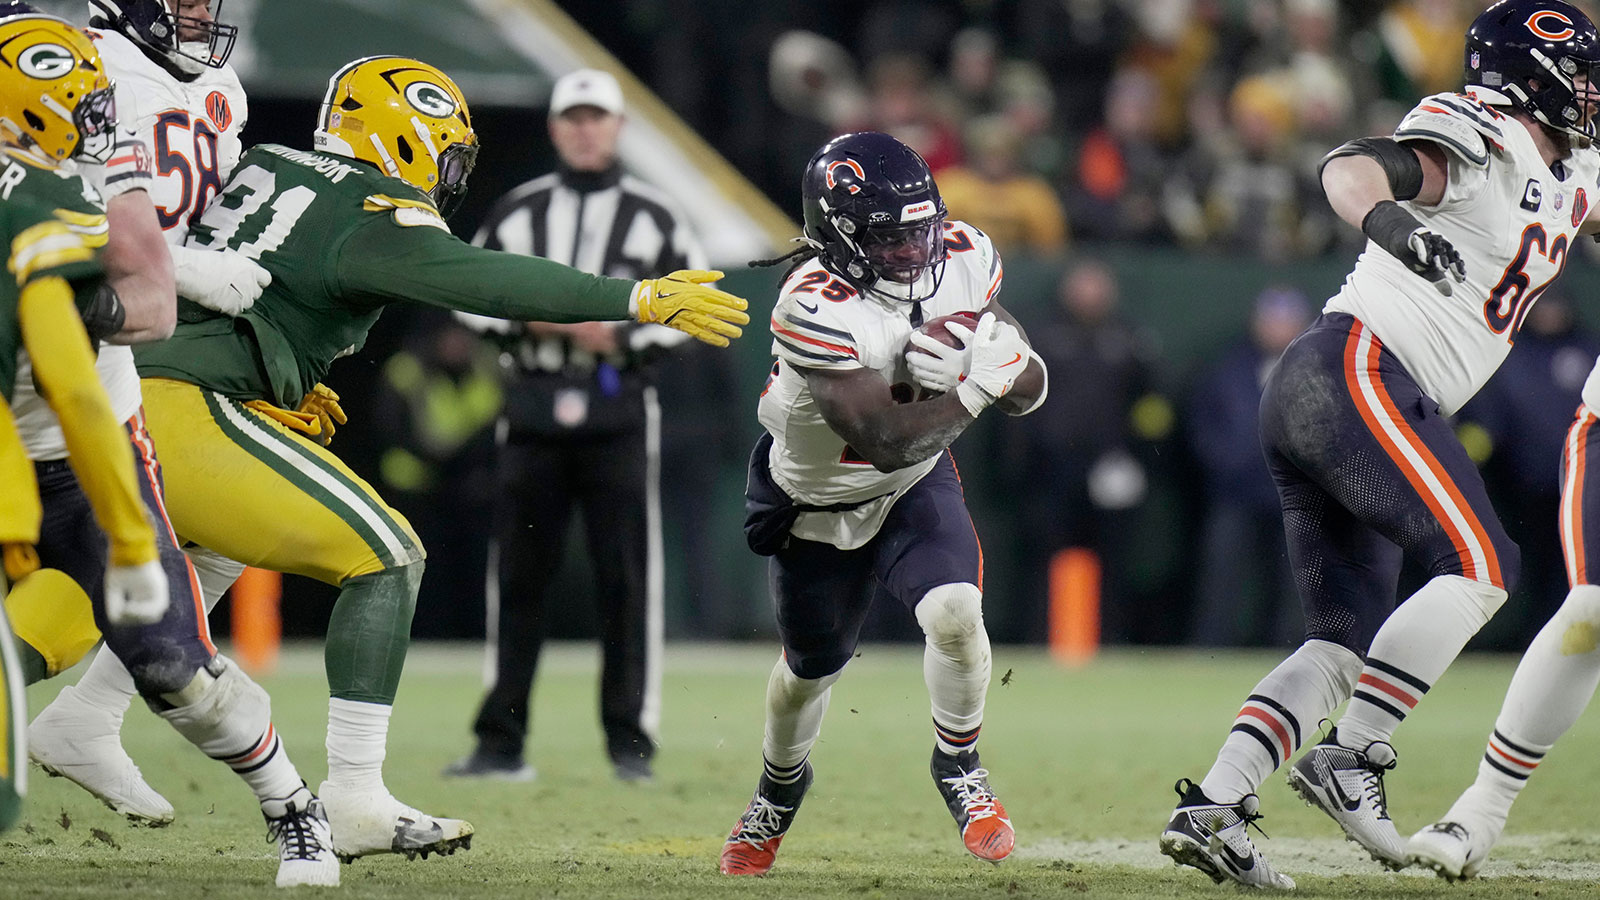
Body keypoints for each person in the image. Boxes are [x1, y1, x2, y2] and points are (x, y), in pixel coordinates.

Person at [119, 55, 746, 861]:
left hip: (135, 384)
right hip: (185, 407)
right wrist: (638, 297)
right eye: (445, 152)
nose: (448, 174)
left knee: (108, 596)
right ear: (407, 135)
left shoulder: (269, 162)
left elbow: (250, 278)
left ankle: (85, 720)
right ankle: (351, 795)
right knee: (386, 556)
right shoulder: (373, 211)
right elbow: (490, 282)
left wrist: (267, 367)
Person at [1159, 0, 1600, 888]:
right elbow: (1354, 167)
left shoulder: (1577, 167)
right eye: (1580, 75)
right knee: (1480, 565)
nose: (1591, 94)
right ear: (1530, 75)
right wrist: (1392, 223)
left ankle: (1214, 804)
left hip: (1347, 391)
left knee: (1339, 643)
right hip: (1357, 368)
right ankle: (1355, 754)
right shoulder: (1486, 133)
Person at [0, 14, 338, 886]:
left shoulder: (69, 184)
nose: (98, 118)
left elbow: (141, 315)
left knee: (175, 669)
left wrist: (62, 300)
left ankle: (293, 803)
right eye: (77, 103)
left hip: (87, 446)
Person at [718, 132, 1048, 876]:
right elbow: (881, 438)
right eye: (890, 238)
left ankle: (959, 763)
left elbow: (1029, 385)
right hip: (814, 499)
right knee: (808, 672)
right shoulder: (813, 305)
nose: (914, 250)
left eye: (922, 229)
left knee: (957, 613)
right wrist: (972, 388)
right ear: (838, 237)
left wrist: (1006, 367)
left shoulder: (962, 256)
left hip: (911, 488)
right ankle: (779, 788)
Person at [19, 0, 270, 829]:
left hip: (120, 375)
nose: (199, 8)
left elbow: (187, 245)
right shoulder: (70, 67)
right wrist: (184, 272)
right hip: (68, 356)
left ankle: (94, 723)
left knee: (183, 610)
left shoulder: (205, 89)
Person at [444, 68, 707, 784]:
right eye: (574, 118)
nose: (586, 129)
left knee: (627, 577)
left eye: (598, 117)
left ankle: (631, 743)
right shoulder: (518, 210)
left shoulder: (656, 216)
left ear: (618, 126)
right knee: (518, 577)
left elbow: (694, 304)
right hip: (530, 402)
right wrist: (534, 313)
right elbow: (464, 290)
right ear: (557, 128)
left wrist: (618, 338)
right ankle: (500, 742)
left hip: (618, 406)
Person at [1187, 287, 1311, 647]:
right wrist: (1224, 462)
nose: (1278, 328)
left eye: (1286, 321)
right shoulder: (1227, 366)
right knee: (1222, 574)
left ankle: (1288, 649)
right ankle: (1212, 646)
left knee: (1293, 581)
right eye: (1271, 320)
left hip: (1296, 496)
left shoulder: (1320, 367)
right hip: (1236, 492)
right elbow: (1202, 423)